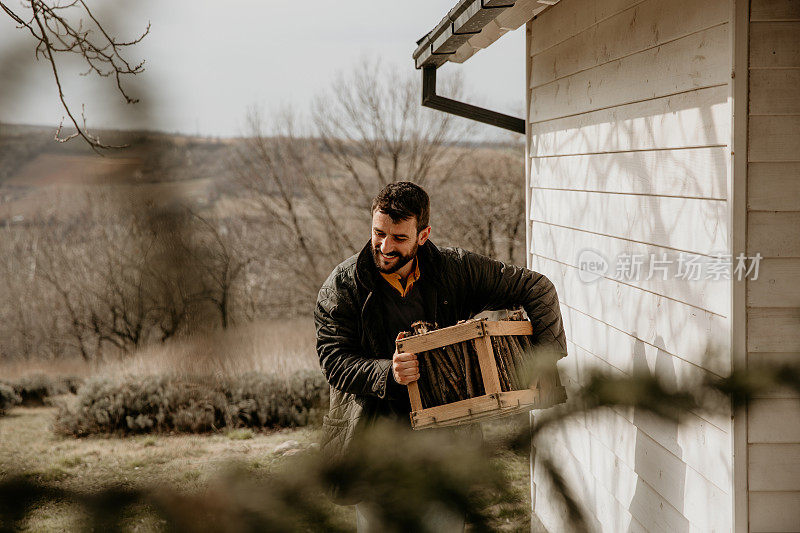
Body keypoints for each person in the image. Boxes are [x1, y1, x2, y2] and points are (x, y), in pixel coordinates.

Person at [314, 181, 567, 531]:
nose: (385, 247)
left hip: (446, 449)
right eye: (378, 233)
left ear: (423, 234)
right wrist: (389, 372)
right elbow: (333, 360)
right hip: (375, 447)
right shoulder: (342, 285)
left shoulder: (455, 269)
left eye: (399, 238)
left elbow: (537, 289)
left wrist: (542, 366)